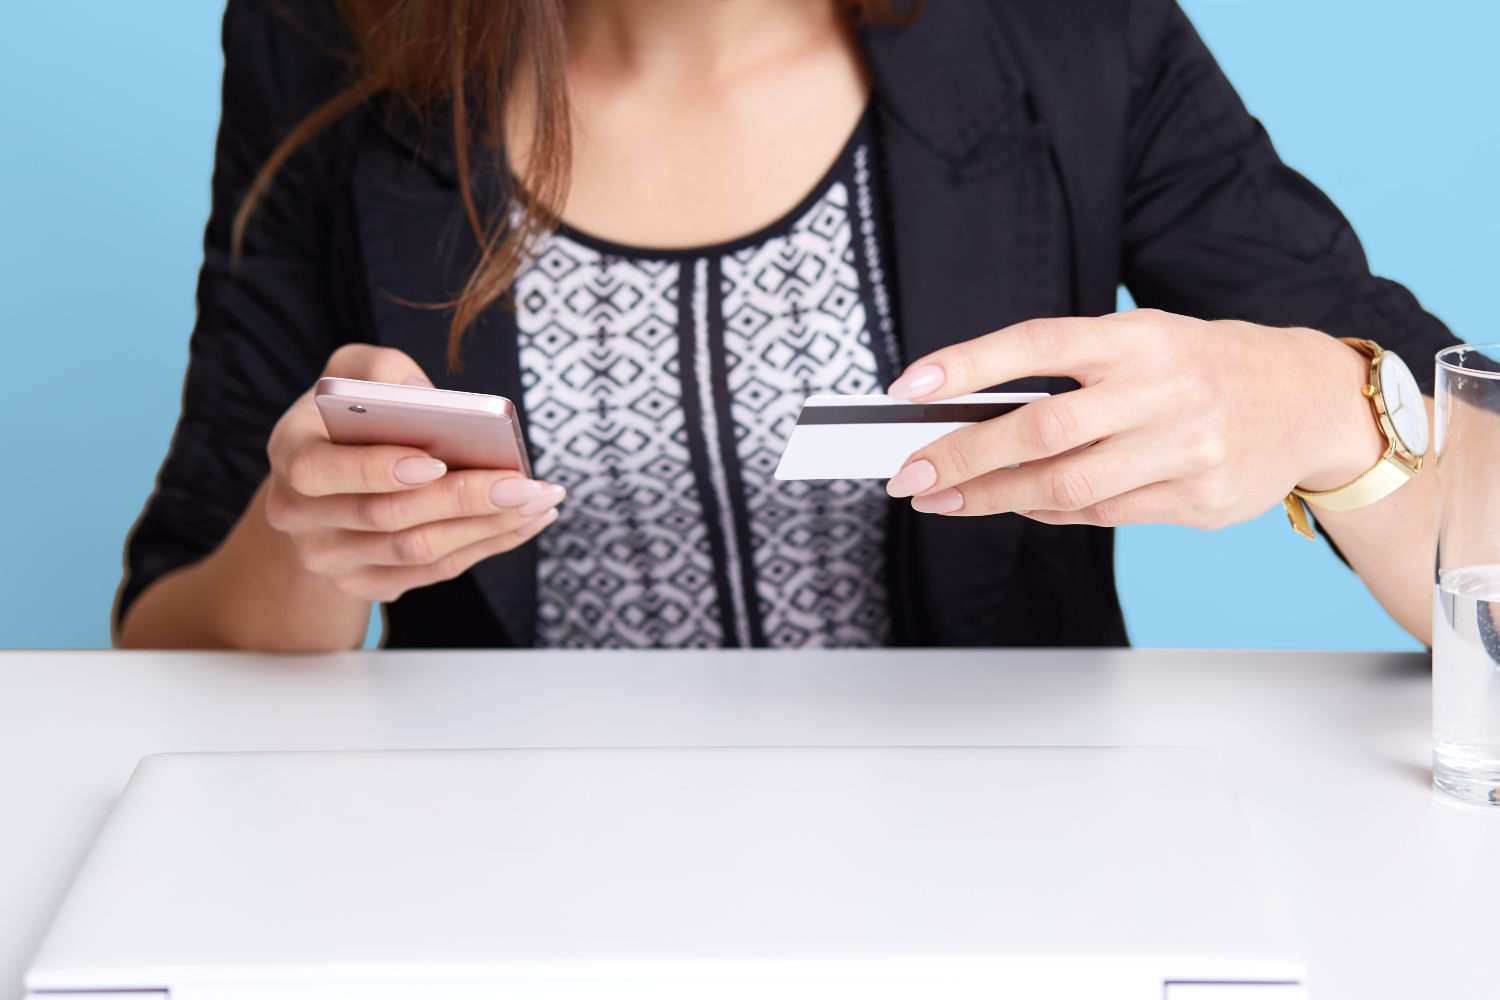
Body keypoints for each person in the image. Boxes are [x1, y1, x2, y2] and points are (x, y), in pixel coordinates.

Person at [116, 0, 1456, 651]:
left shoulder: (1071, 37)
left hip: (1001, 890)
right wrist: (314, 549)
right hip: (504, 887)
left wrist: (1328, 410)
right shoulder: (326, 38)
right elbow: (166, 641)